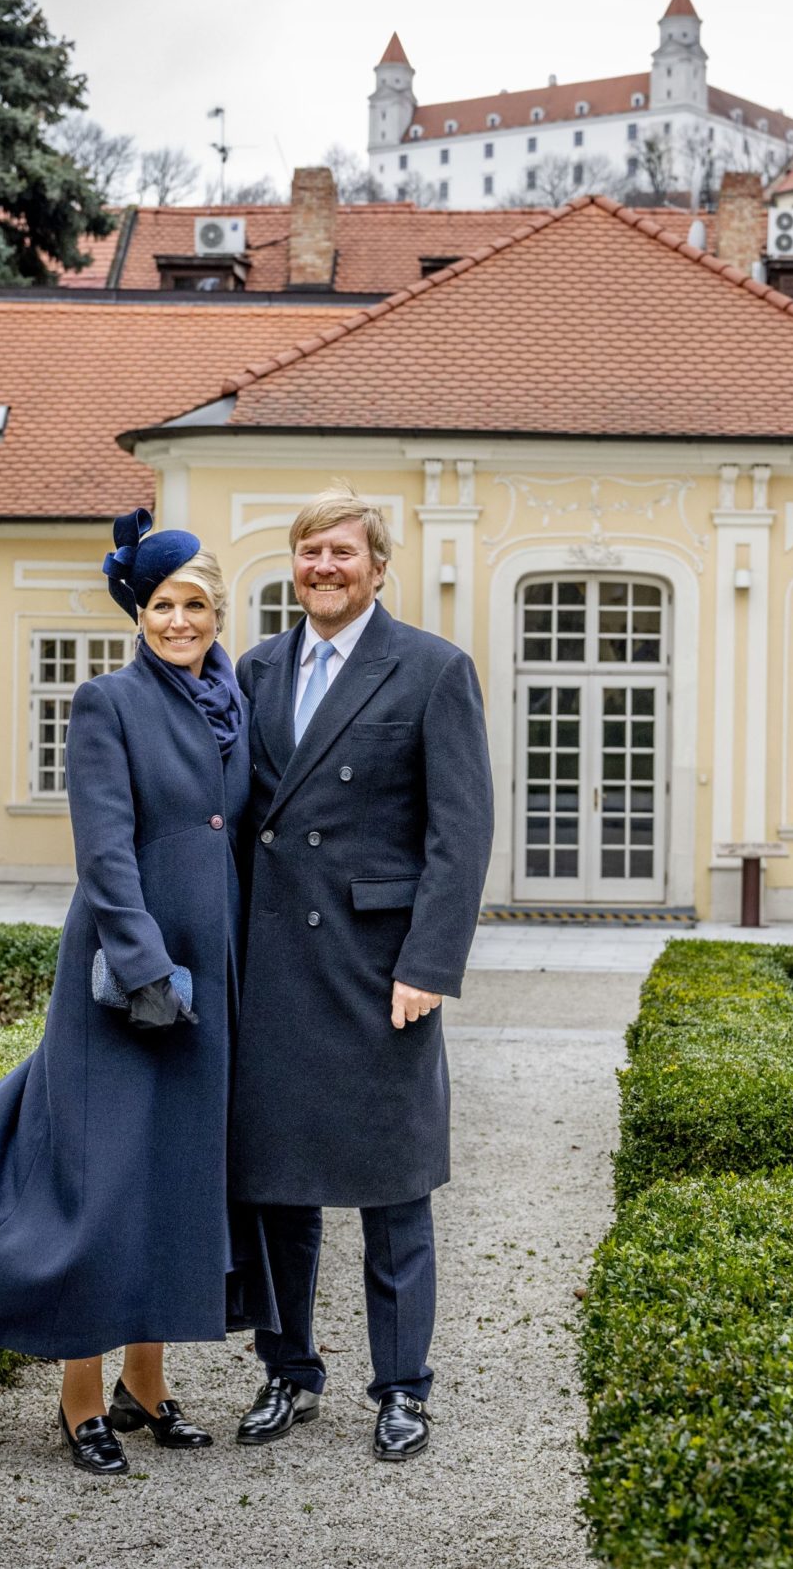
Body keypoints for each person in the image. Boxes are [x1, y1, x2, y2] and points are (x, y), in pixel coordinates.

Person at [0, 510, 271, 1477]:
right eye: (164, 604)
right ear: (139, 611)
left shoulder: (232, 701)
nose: (180, 621)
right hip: (125, 976)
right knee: (103, 1179)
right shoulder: (106, 702)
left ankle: (149, 1381)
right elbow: (103, 850)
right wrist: (144, 966)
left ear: (219, 614)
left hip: (212, 973)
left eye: (196, 604)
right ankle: (80, 1396)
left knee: (175, 1175)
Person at [229, 487, 495, 1462]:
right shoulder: (256, 669)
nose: (325, 567)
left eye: (342, 552)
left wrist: (428, 963)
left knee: (394, 1189)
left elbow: (460, 833)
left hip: (380, 971)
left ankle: (402, 1389)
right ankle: (288, 1373)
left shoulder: (430, 669)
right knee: (278, 1192)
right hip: (274, 968)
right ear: (293, 566)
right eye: (310, 552)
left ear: (378, 567)